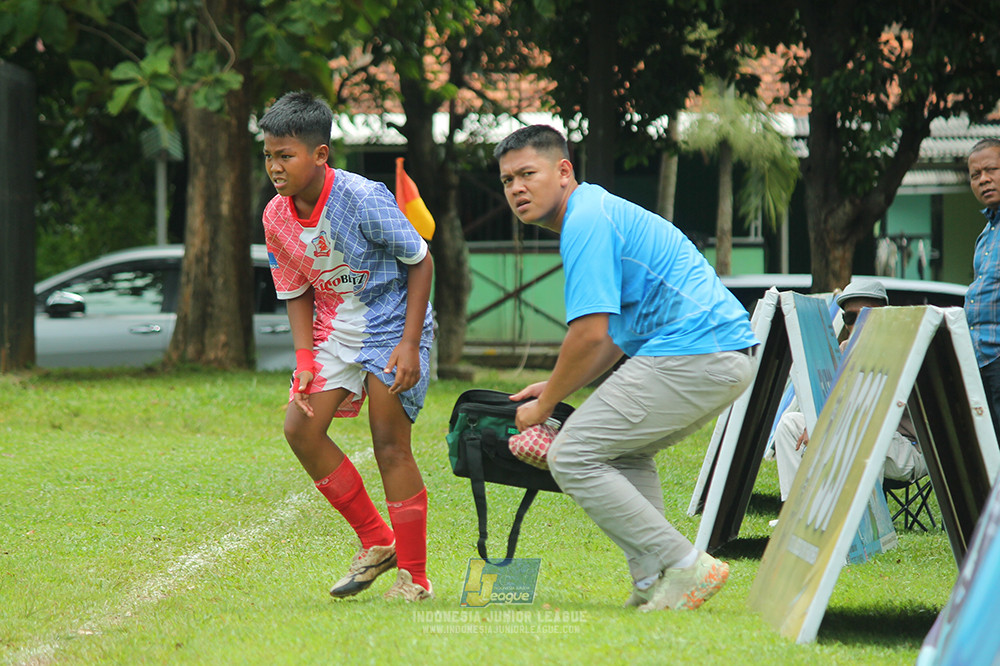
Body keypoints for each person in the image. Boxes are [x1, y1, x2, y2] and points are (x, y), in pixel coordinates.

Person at [494, 125, 758, 612]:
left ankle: (684, 563)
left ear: (564, 171)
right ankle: (652, 581)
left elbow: (590, 332)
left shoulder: (586, 220)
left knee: (571, 454)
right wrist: (554, 383)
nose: (516, 189)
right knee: (623, 453)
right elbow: (614, 337)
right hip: (715, 355)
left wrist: (548, 403)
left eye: (528, 174)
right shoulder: (595, 211)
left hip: (696, 352)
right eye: (508, 180)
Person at [258, 91, 435, 602]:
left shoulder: (361, 197)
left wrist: (408, 344)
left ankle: (415, 579)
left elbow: (421, 261)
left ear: (320, 154)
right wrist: (305, 363)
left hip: (393, 324)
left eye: (285, 155)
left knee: (388, 442)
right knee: (301, 429)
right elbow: (294, 291)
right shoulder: (275, 216)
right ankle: (377, 541)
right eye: (268, 155)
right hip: (335, 329)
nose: (275, 166)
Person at [773, 279, 927, 505]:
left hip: (906, 448)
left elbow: (869, 409)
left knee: (855, 426)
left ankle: (851, 519)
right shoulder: (844, 349)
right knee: (789, 425)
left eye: (864, 315)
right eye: (849, 317)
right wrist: (817, 418)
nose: (856, 324)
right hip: (851, 434)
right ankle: (796, 510)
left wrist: (826, 421)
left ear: (884, 314)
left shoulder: (905, 350)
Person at [965, 138, 1000, 438]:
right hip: (981, 358)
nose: (984, 179)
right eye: (976, 175)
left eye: (991, 170)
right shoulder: (986, 235)